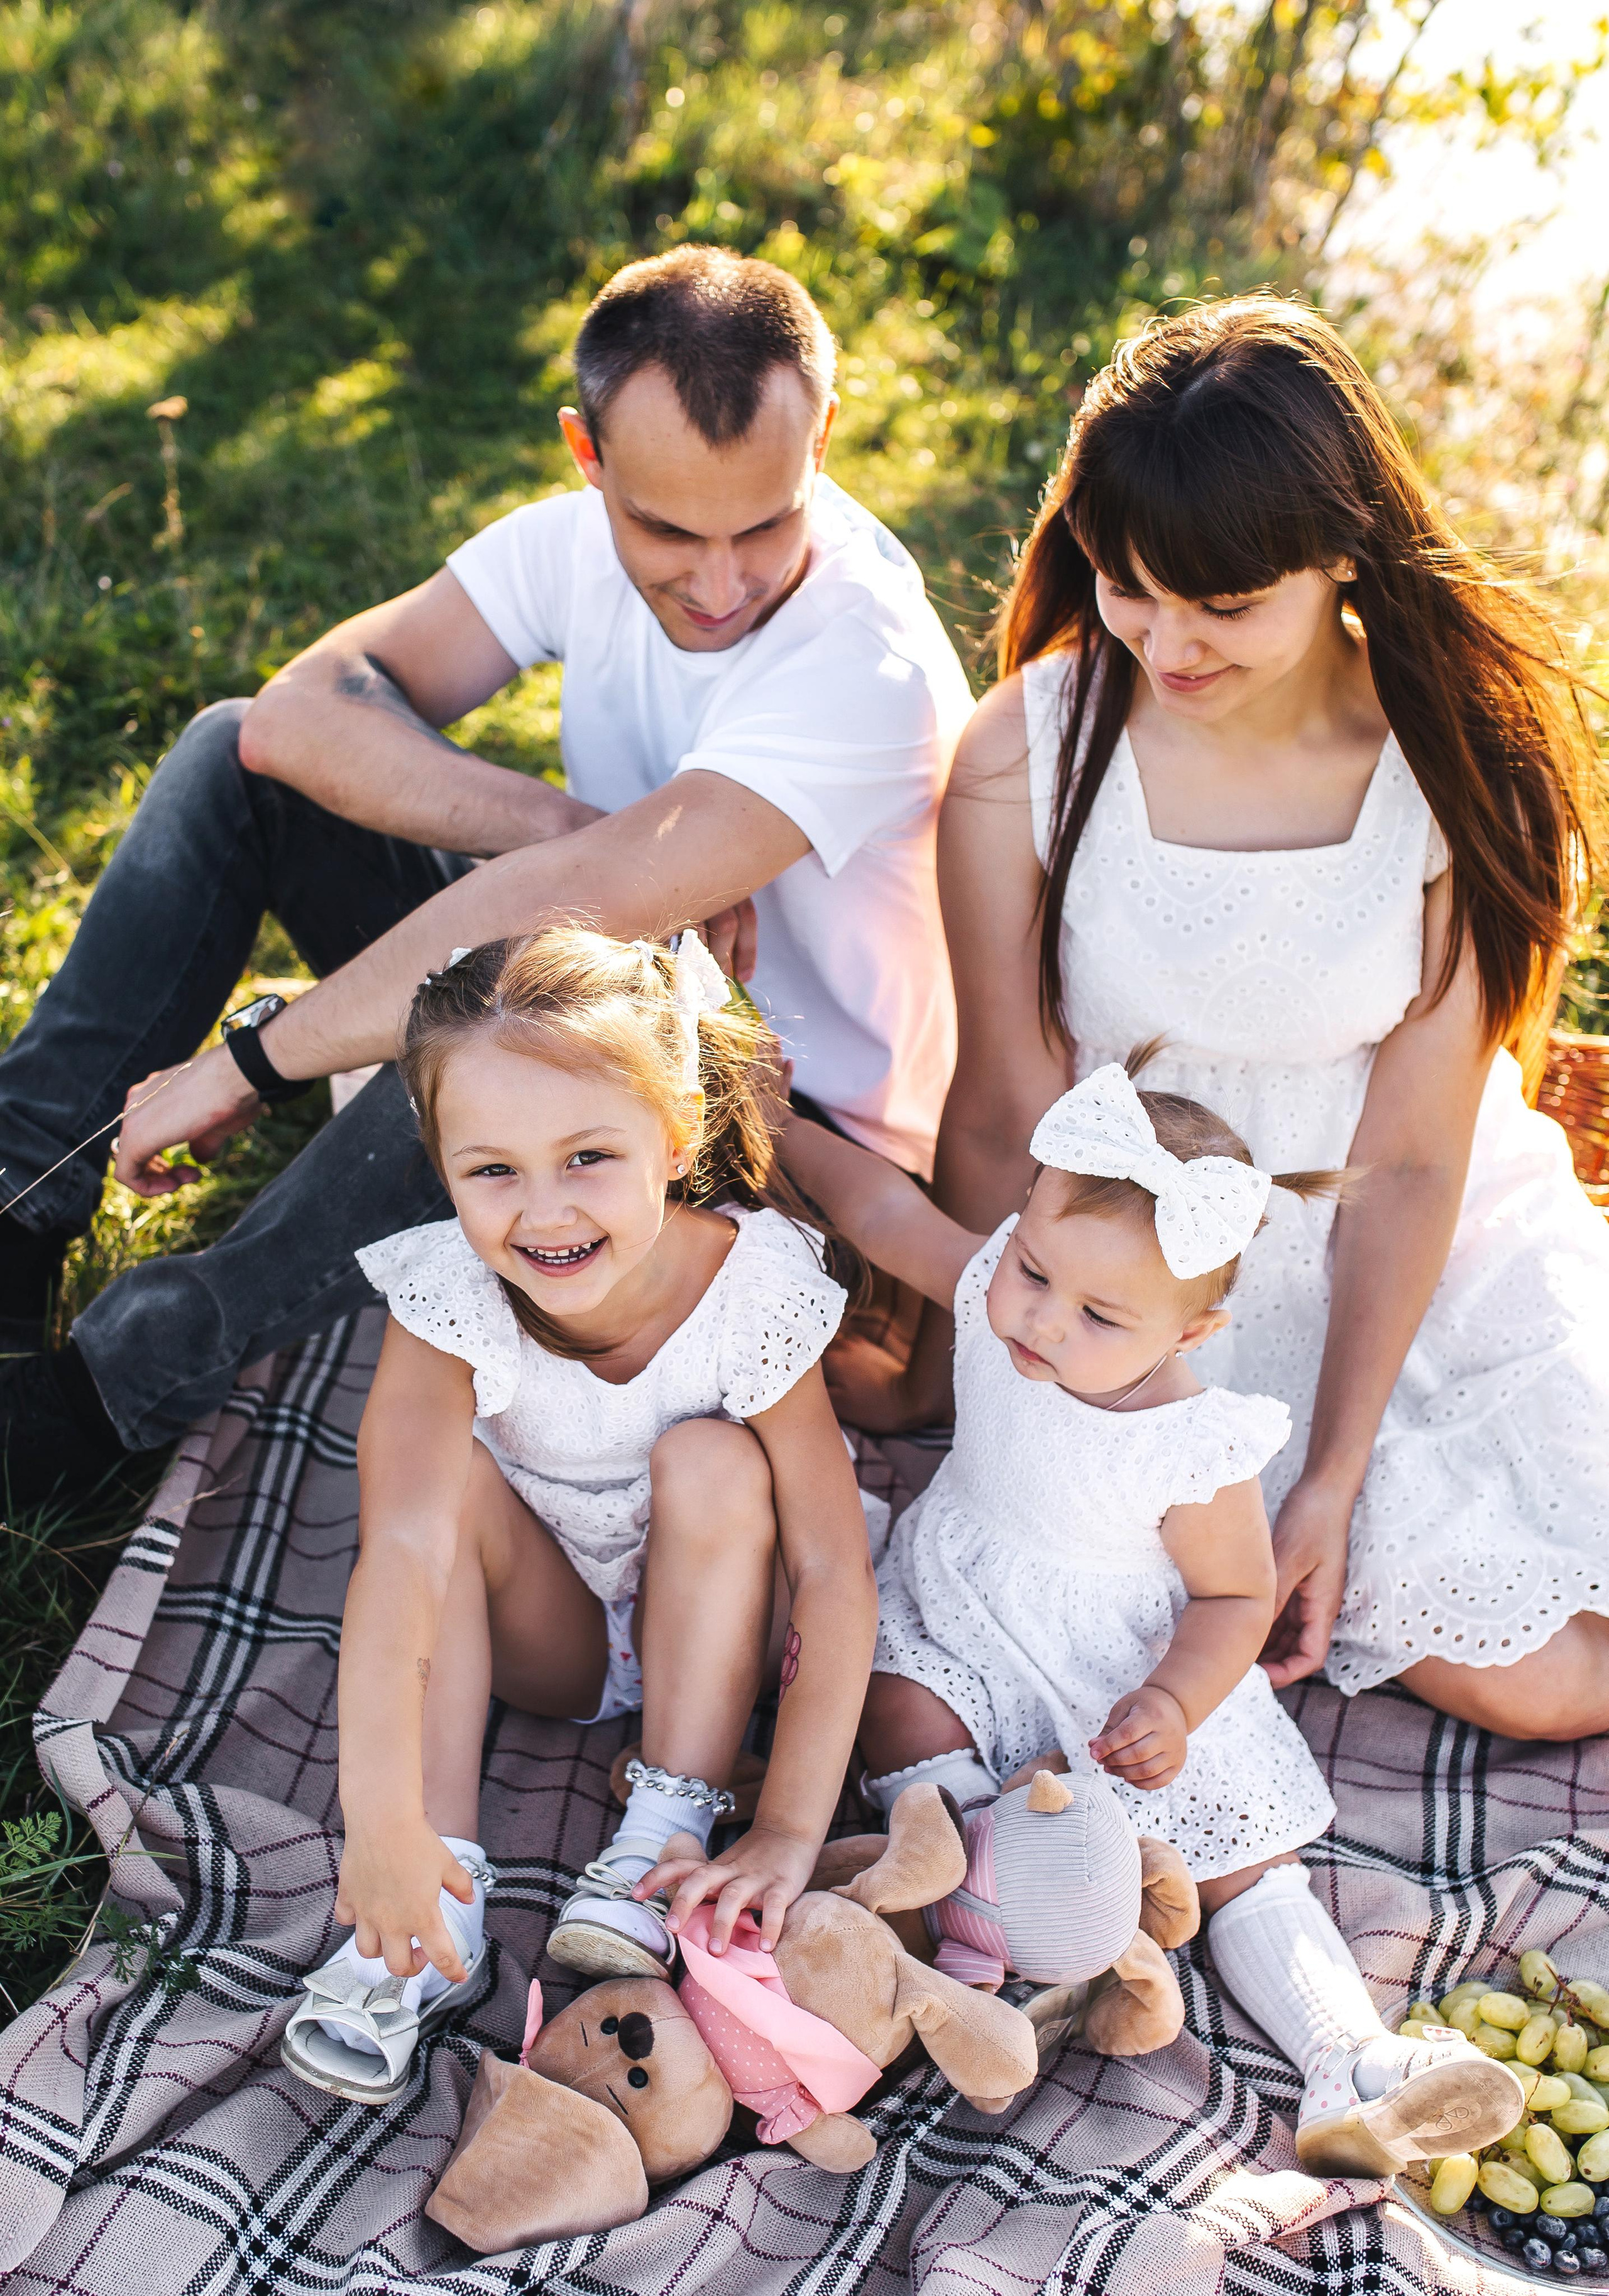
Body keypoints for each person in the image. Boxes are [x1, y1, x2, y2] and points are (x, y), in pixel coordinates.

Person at [0, 244, 970, 1510]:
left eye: (765, 524)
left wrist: (251, 1061)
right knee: (231, 764)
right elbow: (295, 719)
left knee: (523, 1012)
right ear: (587, 454)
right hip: (632, 1001)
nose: (722, 582)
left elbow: (560, 914)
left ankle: (95, 1400)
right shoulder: (571, 546)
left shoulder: (865, 658)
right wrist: (575, 829)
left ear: (823, 439)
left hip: (801, 1162)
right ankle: (19, 1197)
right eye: (668, 530)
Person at [842, 294, 1609, 1743]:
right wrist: (967, 1382)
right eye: (1126, 588)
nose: (1167, 642)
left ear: (1339, 553)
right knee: (1141, 1587)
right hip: (1136, 1261)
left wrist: (1333, 1468)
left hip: (1399, 1246)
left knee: (1555, 1658)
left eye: (1222, 604)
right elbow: (1000, 1106)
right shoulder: (1029, 749)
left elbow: (1412, 1158)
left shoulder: (1459, 765)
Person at [781, 1056, 1525, 2178]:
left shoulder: (1192, 1444)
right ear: (1020, 1226)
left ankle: (1351, 2061)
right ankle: (998, 1908)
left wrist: (1175, 1703)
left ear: (1191, 1331)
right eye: (1034, 1270)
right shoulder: (993, 1290)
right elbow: (884, 1212)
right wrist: (773, 1121)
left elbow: (1235, 1596)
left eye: (1099, 1314)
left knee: (1238, 1853)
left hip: (1121, 1662)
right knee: (895, 1704)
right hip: (967, 1602)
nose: (1043, 1320)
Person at [280, 928, 879, 2106]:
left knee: (711, 1458)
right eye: (492, 1171)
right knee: (445, 1484)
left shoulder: (752, 1289)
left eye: (589, 1157)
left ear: (675, 1135)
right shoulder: (448, 1295)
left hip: (722, 1613)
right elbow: (401, 1555)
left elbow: (831, 1570)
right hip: (554, 1636)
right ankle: (430, 1898)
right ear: (440, 1161)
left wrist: (789, 1830)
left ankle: (667, 1826)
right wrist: (379, 1820)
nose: (544, 1212)